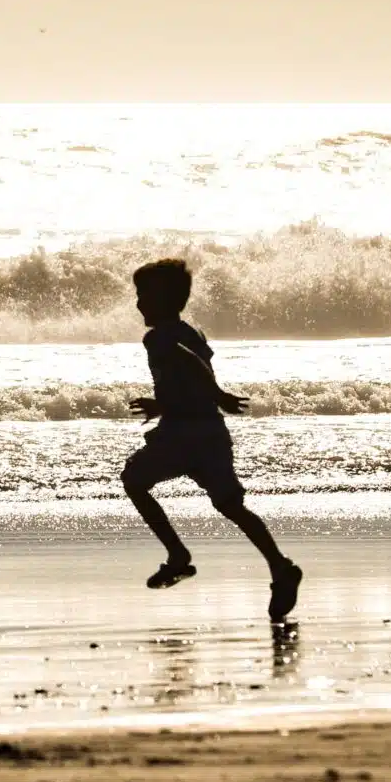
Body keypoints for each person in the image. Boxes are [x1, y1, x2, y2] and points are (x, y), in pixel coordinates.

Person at [122, 258, 304, 621]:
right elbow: (193, 371)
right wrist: (203, 397)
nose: (139, 303)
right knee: (230, 505)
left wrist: (208, 395)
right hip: (210, 433)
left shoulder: (158, 337)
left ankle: (178, 556)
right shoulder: (191, 332)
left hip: (184, 434)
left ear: (164, 300)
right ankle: (280, 566)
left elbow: (192, 365)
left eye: (143, 295)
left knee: (133, 480)